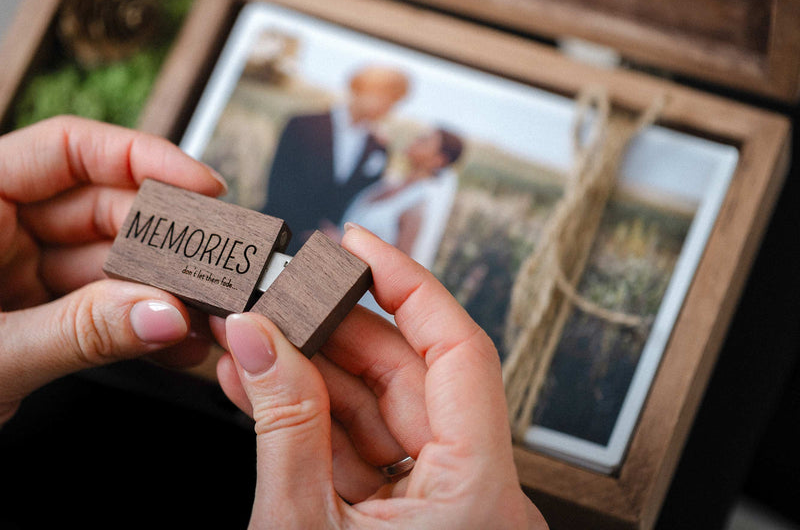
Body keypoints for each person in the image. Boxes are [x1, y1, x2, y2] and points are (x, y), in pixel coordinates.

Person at [0, 116, 547, 528]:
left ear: (443, 158)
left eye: (430, 141)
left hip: (340, 303)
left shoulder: (422, 197)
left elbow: (396, 250)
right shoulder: (389, 175)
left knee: (321, 370)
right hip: (302, 280)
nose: (417, 142)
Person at [263, 65, 409, 252]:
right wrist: (315, 227)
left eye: (395, 101)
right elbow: (279, 184)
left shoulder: (379, 148)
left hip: (327, 252)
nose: (389, 106)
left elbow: (361, 201)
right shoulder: (302, 125)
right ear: (363, 88)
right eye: (386, 97)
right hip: (277, 235)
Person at [339, 127, 464, 256]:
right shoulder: (389, 183)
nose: (415, 140)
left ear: (437, 160)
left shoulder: (416, 208)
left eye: (424, 141)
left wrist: (340, 242)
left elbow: (395, 266)